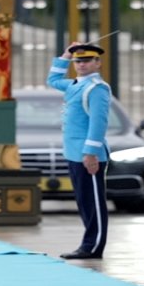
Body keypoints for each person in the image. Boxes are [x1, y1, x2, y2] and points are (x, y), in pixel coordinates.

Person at [46, 42, 112, 260]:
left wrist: (90, 152)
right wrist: (65, 55)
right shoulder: (76, 84)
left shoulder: (97, 88)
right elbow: (52, 80)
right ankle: (88, 244)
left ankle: (93, 246)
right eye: (78, 61)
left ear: (97, 63)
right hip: (74, 153)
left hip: (87, 154)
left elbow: (98, 122)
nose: (81, 65)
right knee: (84, 201)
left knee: (93, 202)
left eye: (86, 61)